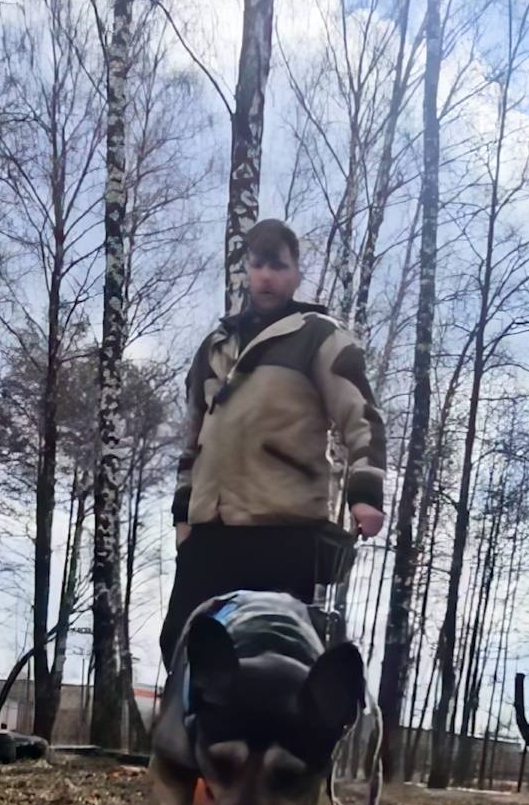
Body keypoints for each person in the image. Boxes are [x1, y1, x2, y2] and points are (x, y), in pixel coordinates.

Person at [160, 219, 386, 669]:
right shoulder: (215, 347)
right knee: (181, 646)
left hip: (282, 532)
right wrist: (183, 518)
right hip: (210, 532)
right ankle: (193, 741)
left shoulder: (319, 337)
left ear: (296, 272)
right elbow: (194, 439)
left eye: (278, 266)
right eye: (258, 265)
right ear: (245, 269)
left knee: (274, 661)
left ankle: (272, 742)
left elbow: (361, 415)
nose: (266, 276)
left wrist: (365, 494)